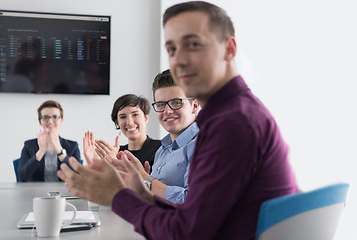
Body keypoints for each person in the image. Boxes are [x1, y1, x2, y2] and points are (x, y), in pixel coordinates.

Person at [58, 2, 299, 239]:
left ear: (229, 49)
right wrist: (143, 192)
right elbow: (193, 215)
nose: (179, 60)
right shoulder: (226, 114)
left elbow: (186, 232)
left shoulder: (235, 123)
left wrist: (116, 196)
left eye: (193, 44)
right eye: (172, 49)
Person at [111, 69, 199, 203]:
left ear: (195, 106)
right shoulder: (163, 150)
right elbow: (154, 195)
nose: (167, 111)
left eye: (176, 102)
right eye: (161, 104)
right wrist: (140, 182)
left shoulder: (204, 145)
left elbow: (194, 202)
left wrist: (145, 178)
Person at [83, 94, 161, 169]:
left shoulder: (161, 149)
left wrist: (115, 163)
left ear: (146, 118)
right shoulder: (116, 153)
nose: (129, 122)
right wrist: (92, 164)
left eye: (135, 115)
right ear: (117, 122)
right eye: (123, 117)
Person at [18, 100, 81, 182]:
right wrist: (40, 152)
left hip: (65, 193)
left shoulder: (72, 146)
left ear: (61, 120)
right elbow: (22, 178)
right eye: (45, 117)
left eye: (55, 117)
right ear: (40, 121)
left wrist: (60, 151)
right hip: (36, 194)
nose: (50, 121)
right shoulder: (29, 145)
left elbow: (78, 178)